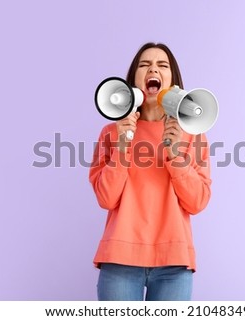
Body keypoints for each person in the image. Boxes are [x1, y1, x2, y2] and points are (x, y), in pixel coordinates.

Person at [89, 42, 212, 301]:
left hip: (174, 264)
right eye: (144, 65)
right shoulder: (111, 133)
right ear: (133, 81)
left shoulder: (192, 134)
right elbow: (106, 198)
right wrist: (123, 147)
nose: (152, 69)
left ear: (173, 81)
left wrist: (174, 154)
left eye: (162, 65)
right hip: (119, 262)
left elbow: (197, 201)